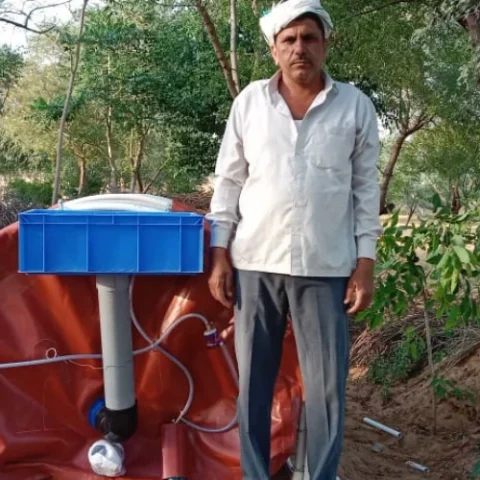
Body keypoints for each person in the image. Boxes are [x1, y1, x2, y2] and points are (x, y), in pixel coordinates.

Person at [207, 0, 382, 478]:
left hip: (326, 267)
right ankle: (255, 474)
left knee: (326, 391)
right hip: (255, 263)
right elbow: (229, 181)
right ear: (274, 49)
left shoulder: (355, 106)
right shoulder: (250, 103)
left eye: (309, 38)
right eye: (289, 39)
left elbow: (365, 190)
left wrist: (365, 263)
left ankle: (321, 474)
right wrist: (220, 253)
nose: (299, 47)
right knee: (253, 385)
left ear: (325, 45)